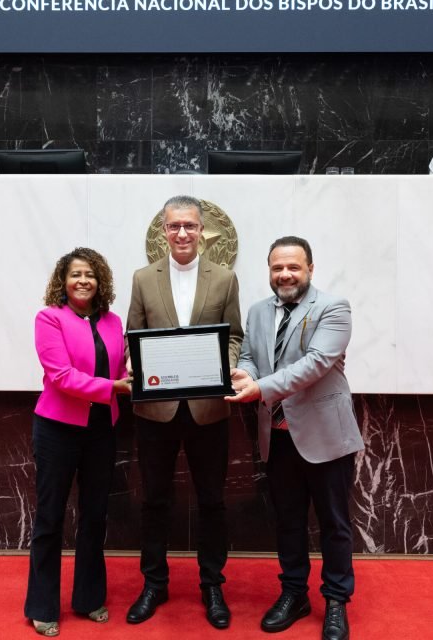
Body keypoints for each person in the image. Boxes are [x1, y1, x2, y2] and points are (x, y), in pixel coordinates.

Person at [226, 236, 363, 640]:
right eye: (276, 268)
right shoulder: (257, 311)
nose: (284, 274)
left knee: (334, 524)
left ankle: (337, 601)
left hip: (326, 436)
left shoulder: (333, 308)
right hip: (279, 437)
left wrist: (260, 388)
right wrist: (246, 373)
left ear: (310, 269)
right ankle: (294, 594)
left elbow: (316, 363)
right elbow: (250, 354)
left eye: (293, 267)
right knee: (287, 522)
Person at [125, 195, 243, 629]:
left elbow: (234, 335)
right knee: (154, 500)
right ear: (163, 230)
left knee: (212, 501)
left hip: (208, 409)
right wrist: (134, 360)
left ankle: (212, 585)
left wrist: (227, 363)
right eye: (174, 226)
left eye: (190, 226)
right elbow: (131, 335)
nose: (182, 234)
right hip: (155, 409)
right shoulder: (142, 278)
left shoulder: (225, 278)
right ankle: (153, 584)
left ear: (202, 231)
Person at [24, 247, 132, 637]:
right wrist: (115, 386)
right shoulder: (49, 318)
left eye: (90, 274)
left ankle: (89, 598)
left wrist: (133, 372)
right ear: (63, 281)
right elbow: (61, 376)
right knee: (50, 518)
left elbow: (118, 366)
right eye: (76, 274)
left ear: (100, 281)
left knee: (94, 516)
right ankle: (42, 605)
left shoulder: (112, 321)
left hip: (102, 429)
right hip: (58, 429)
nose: (83, 280)